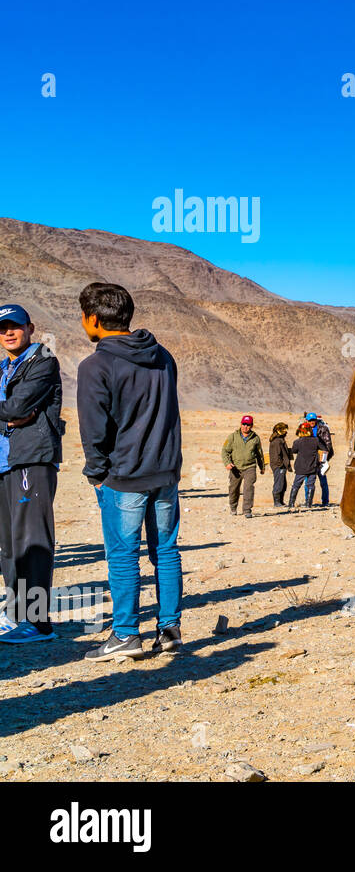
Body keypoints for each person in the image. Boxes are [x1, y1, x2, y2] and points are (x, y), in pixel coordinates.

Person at [77, 283, 183, 661]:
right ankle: (169, 630)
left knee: (123, 555)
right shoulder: (163, 356)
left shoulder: (95, 365)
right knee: (166, 551)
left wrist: (98, 475)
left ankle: (125, 635)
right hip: (165, 473)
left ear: (93, 319)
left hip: (124, 477)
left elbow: (93, 429)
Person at [0, 303, 62, 645]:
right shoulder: (3, 368)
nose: (8, 332)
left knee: (33, 542)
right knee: (9, 546)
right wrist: (8, 417)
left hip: (31, 460)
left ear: (30, 328)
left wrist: (12, 414)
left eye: (15, 326)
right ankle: (15, 614)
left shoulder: (43, 363)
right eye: (2, 327)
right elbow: (9, 413)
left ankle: (38, 623)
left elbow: (18, 408)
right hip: (4, 463)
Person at [221, 415, 265, 518]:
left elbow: (259, 454)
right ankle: (233, 507)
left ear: (251, 426)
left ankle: (247, 510)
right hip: (235, 467)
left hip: (250, 467)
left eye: (248, 424)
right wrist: (227, 463)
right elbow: (225, 451)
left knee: (248, 488)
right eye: (244, 424)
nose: (245, 426)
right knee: (233, 489)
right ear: (241, 424)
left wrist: (262, 467)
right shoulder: (232, 437)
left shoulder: (255, 438)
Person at [303, 412, 335, 505]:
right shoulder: (304, 429)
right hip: (309, 460)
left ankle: (325, 501)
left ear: (316, 420)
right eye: (310, 420)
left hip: (321, 459)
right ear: (307, 420)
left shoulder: (323, 429)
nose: (312, 422)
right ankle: (308, 501)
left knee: (323, 481)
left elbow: (328, 444)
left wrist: (325, 458)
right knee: (308, 482)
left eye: (313, 420)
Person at [288, 422, 321, 507]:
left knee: (296, 485)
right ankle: (308, 504)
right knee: (310, 485)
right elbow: (324, 448)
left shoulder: (297, 442)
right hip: (312, 467)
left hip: (300, 467)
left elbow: (294, 450)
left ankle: (291, 503)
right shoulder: (316, 440)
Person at [268, 422, 291, 508]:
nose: (286, 432)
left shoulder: (280, 440)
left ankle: (281, 501)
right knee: (279, 483)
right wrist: (281, 465)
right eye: (284, 430)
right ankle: (277, 502)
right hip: (278, 466)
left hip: (281, 466)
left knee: (283, 484)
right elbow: (276, 455)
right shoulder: (277, 441)